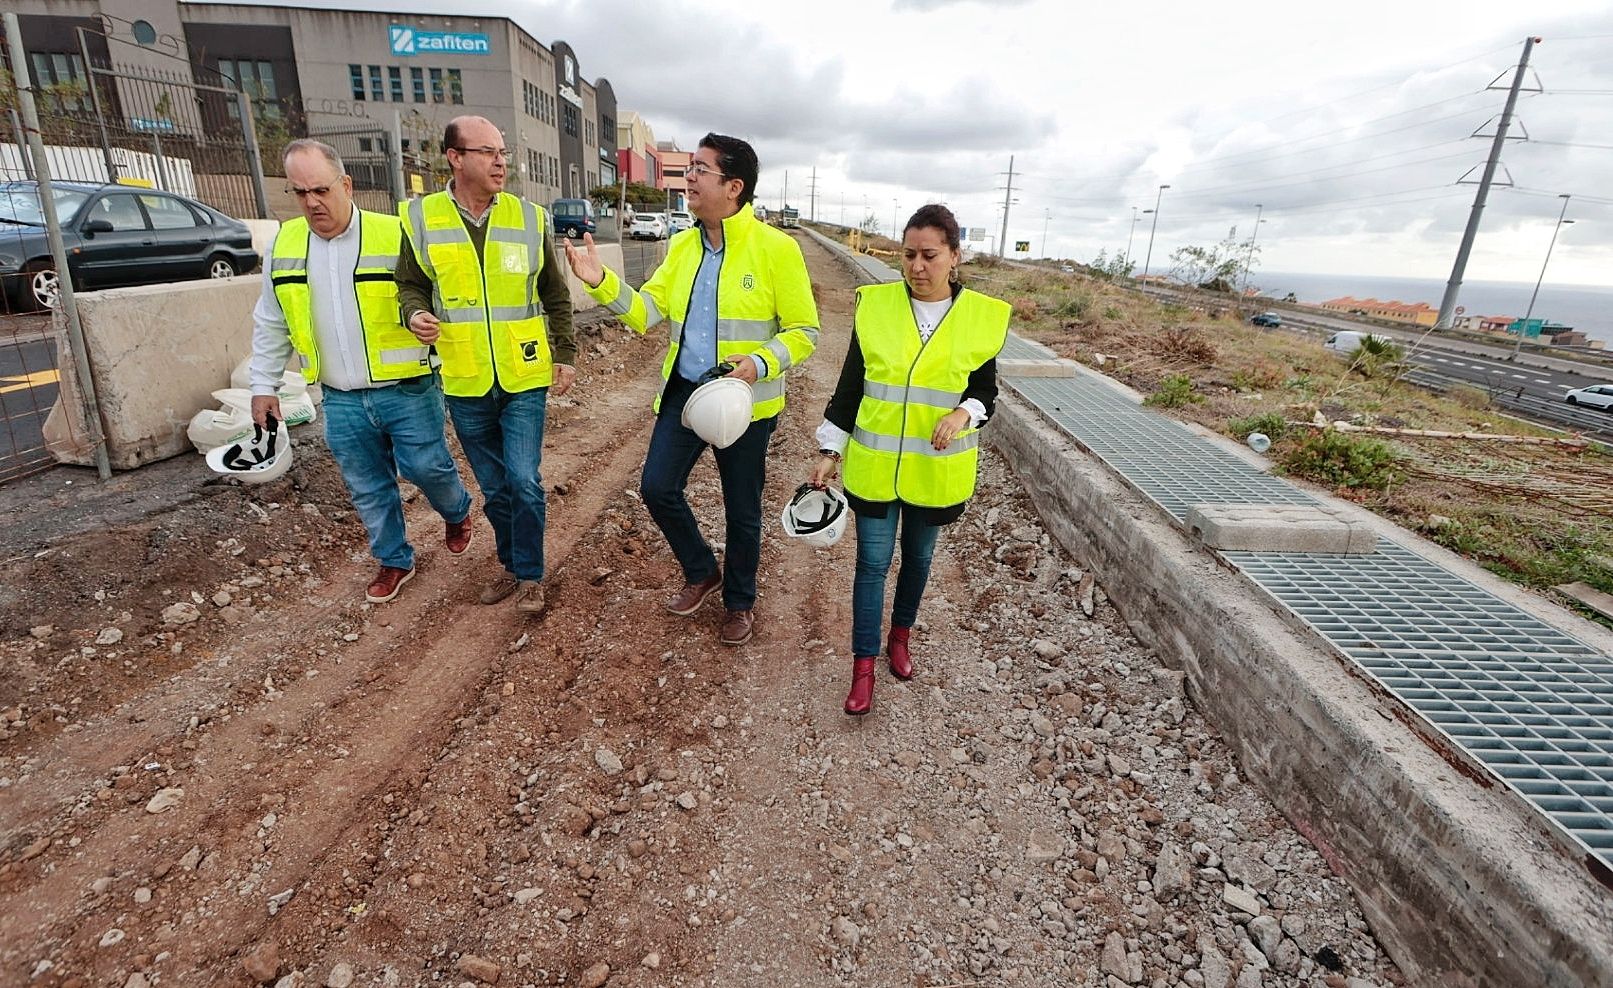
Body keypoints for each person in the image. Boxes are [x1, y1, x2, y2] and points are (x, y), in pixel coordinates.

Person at [563, 133, 818, 646]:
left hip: (745, 402)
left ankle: (740, 602)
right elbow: (646, 311)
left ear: (734, 187)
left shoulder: (777, 250)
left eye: (701, 169)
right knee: (657, 487)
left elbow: (804, 331)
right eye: (690, 169)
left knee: (742, 509)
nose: (690, 178)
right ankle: (702, 571)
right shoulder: (682, 246)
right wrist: (600, 282)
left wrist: (760, 363)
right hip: (685, 392)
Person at [249, 139, 473, 605]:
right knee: (367, 485)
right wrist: (263, 385)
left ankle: (456, 510)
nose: (312, 202)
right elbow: (272, 320)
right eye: (300, 192)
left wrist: (432, 322)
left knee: (427, 467)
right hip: (341, 397)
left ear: (346, 185)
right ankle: (394, 559)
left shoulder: (395, 234)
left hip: (408, 388)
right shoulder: (284, 246)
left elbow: (439, 293)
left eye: (321, 190)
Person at [809, 204, 1010, 715]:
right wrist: (831, 448)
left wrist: (963, 413)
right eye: (908, 255)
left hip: (933, 470)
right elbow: (851, 385)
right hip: (876, 467)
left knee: (918, 561)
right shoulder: (876, 308)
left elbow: (985, 391)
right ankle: (863, 668)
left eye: (930, 255)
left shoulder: (981, 318)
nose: (917, 266)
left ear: (955, 256)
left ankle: (900, 637)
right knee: (872, 564)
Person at [396, 115, 577, 614]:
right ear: (455, 158)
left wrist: (565, 352)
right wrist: (414, 313)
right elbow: (410, 284)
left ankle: (532, 576)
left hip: (523, 373)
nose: (501, 163)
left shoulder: (528, 217)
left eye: (503, 153)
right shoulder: (422, 218)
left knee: (523, 480)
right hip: (464, 374)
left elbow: (555, 293)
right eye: (488, 152)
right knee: (495, 489)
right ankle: (512, 566)